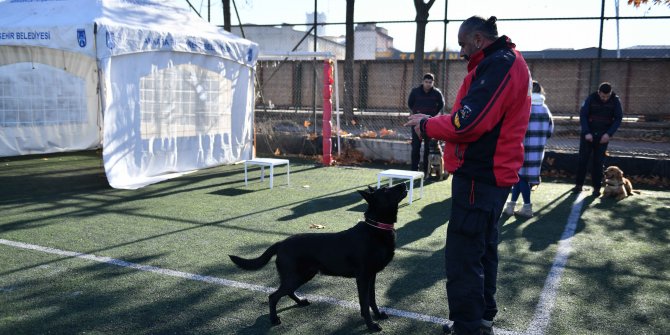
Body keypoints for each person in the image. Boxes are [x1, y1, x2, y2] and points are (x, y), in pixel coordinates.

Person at [405, 16, 531, 335]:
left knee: (463, 257)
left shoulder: (500, 63)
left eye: (462, 44)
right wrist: (434, 121)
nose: (460, 53)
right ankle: (482, 319)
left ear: (477, 39)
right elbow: (468, 117)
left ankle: (468, 327)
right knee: (482, 248)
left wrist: (427, 125)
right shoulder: (501, 62)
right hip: (487, 175)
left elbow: (469, 123)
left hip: (480, 176)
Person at [504, 80, 554, 217]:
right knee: (522, 177)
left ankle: (526, 207)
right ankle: (511, 206)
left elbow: (513, 128)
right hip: (537, 150)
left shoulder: (523, 107)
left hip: (521, 147)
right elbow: (550, 131)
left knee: (521, 177)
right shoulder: (545, 110)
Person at [573, 82, 623, 197]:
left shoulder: (615, 101)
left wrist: (608, 134)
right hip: (588, 135)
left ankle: (596, 188)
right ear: (599, 92)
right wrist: (586, 132)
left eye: (607, 96)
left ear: (610, 93)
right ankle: (578, 185)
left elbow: (618, 118)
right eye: (602, 96)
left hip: (603, 136)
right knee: (583, 161)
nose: (605, 98)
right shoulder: (591, 98)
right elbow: (583, 115)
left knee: (598, 163)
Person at [408, 73, 445, 177]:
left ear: (433, 83)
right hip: (417, 123)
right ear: (423, 82)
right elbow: (410, 103)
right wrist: (418, 113)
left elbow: (441, 104)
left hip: (430, 123)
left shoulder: (436, 93)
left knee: (428, 148)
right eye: (426, 82)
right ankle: (414, 171)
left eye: (430, 82)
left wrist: (432, 115)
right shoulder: (415, 92)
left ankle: (425, 171)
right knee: (416, 147)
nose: (428, 84)